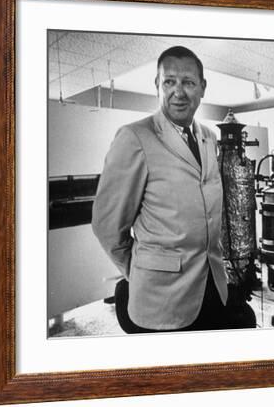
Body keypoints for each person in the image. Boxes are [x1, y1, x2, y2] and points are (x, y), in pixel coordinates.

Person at [92, 46, 229, 333]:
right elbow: (107, 226)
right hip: (160, 299)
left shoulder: (209, 137)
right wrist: (141, 269)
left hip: (211, 287)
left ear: (202, 88)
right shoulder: (134, 137)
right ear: (157, 86)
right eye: (169, 81)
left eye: (188, 82)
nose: (179, 92)